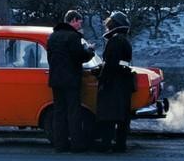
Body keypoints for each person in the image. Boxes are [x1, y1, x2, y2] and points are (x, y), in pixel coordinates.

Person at [46, 9, 95, 153]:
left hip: (55, 79)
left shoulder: (52, 37)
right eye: (79, 21)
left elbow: (51, 58)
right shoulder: (73, 37)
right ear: (73, 20)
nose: (81, 24)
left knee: (59, 112)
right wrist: (90, 50)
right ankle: (76, 144)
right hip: (71, 80)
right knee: (73, 112)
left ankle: (60, 145)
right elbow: (80, 57)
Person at [95, 11, 133, 153]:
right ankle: (120, 144)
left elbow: (110, 64)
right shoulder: (124, 40)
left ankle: (106, 144)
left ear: (114, 25)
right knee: (122, 117)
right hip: (123, 83)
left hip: (113, 84)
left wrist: (101, 77)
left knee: (108, 116)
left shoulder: (115, 41)